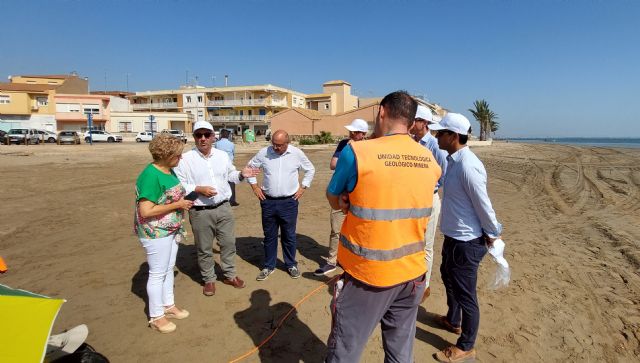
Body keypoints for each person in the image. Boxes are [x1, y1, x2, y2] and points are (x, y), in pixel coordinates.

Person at [325, 91, 441, 362]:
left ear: (381, 112)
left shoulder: (358, 152)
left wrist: (344, 199)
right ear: (412, 123)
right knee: (400, 352)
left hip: (369, 277)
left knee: (345, 350)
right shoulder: (429, 160)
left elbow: (333, 199)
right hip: (413, 274)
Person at [429, 113, 502, 362]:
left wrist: (493, 233)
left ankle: (466, 345)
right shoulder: (453, 161)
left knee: (466, 293)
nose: (436, 136)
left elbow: (483, 204)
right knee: (448, 277)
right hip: (454, 237)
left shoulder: (468, 166)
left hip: (467, 242)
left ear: (453, 136)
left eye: (441, 133)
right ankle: (453, 320)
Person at [174, 121, 259, 296]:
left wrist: (242, 175)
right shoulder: (185, 159)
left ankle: (230, 275)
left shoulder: (222, 156)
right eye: (199, 135)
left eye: (206, 135)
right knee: (204, 248)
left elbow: (230, 175)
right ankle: (209, 279)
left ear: (214, 137)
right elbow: (180, 184)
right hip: (199, 211)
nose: (203, 139)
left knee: (228, 244)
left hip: (224, 208)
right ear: (194, 137)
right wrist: (198, 189)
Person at [134, 134, 192, 333]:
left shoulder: (168, 170)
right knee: (157, 273)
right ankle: (156, 316)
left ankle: (169, 305)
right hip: (155, 232)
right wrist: (179, 204)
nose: (180, 159)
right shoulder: (150, 175)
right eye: (177, 155)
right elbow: (146, 211)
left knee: (168, 268)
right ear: (166, 155)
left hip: (170, 229)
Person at [247, 130, 316, 281]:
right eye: (274, 144)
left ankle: (291, 264)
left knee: (289, 235)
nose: (276, 148)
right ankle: (268, 266)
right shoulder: (264, 152)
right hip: (268, 201)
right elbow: (250, 168)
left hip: (289, 202)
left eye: (279, 145)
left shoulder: (296, 153)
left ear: (287, 143)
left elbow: (310, 169)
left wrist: (303, 187)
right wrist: (254, 186)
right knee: (269, 236)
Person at [313, 118, 368, 276]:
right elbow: (333, 164)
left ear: (363, 134)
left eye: (356, 132)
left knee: (360, 230)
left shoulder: (370, 146)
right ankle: (331, 261)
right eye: (351, 131)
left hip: (361, 195)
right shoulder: (344, 144)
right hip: (342, 193)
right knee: (336, 229)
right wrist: (348, 159)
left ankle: (356, 260)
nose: (352, 134)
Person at [410, 105, 448, 302]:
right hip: (414, 199)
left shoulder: (434, 145)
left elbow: (444, 174)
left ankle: (424, 287)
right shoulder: (411, 143)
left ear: (424, 123)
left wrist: (428, 186)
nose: (411, 122)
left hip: (429, 198)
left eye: (414, 120)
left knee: (427, 245)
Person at [215, 129, 240, 206]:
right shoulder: (231, 144)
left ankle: (220, 200)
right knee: (231, 183)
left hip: (219, 165)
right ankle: (232, 201)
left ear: (221, 135)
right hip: (229, 165)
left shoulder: (217, 144)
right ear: (228, 136)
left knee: (219, 183)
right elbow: (233, 154)